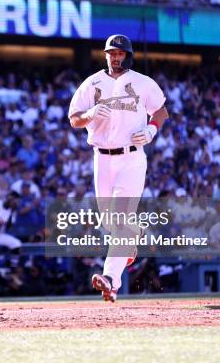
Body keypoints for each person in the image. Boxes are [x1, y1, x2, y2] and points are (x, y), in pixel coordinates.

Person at [68, 34, 169, 302]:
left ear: (128, 55)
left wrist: (151, 128)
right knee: (110, 222)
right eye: (112, 53)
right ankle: (130, 243)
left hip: (131, 157)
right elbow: (73, 118)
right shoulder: (92, 83)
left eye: (120, 53)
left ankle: (110, 279)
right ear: (106, 55)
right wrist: (89, 115)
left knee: (121, 217)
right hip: (101, 157)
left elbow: (161, 111)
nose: (116, 57)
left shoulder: (142, 82)